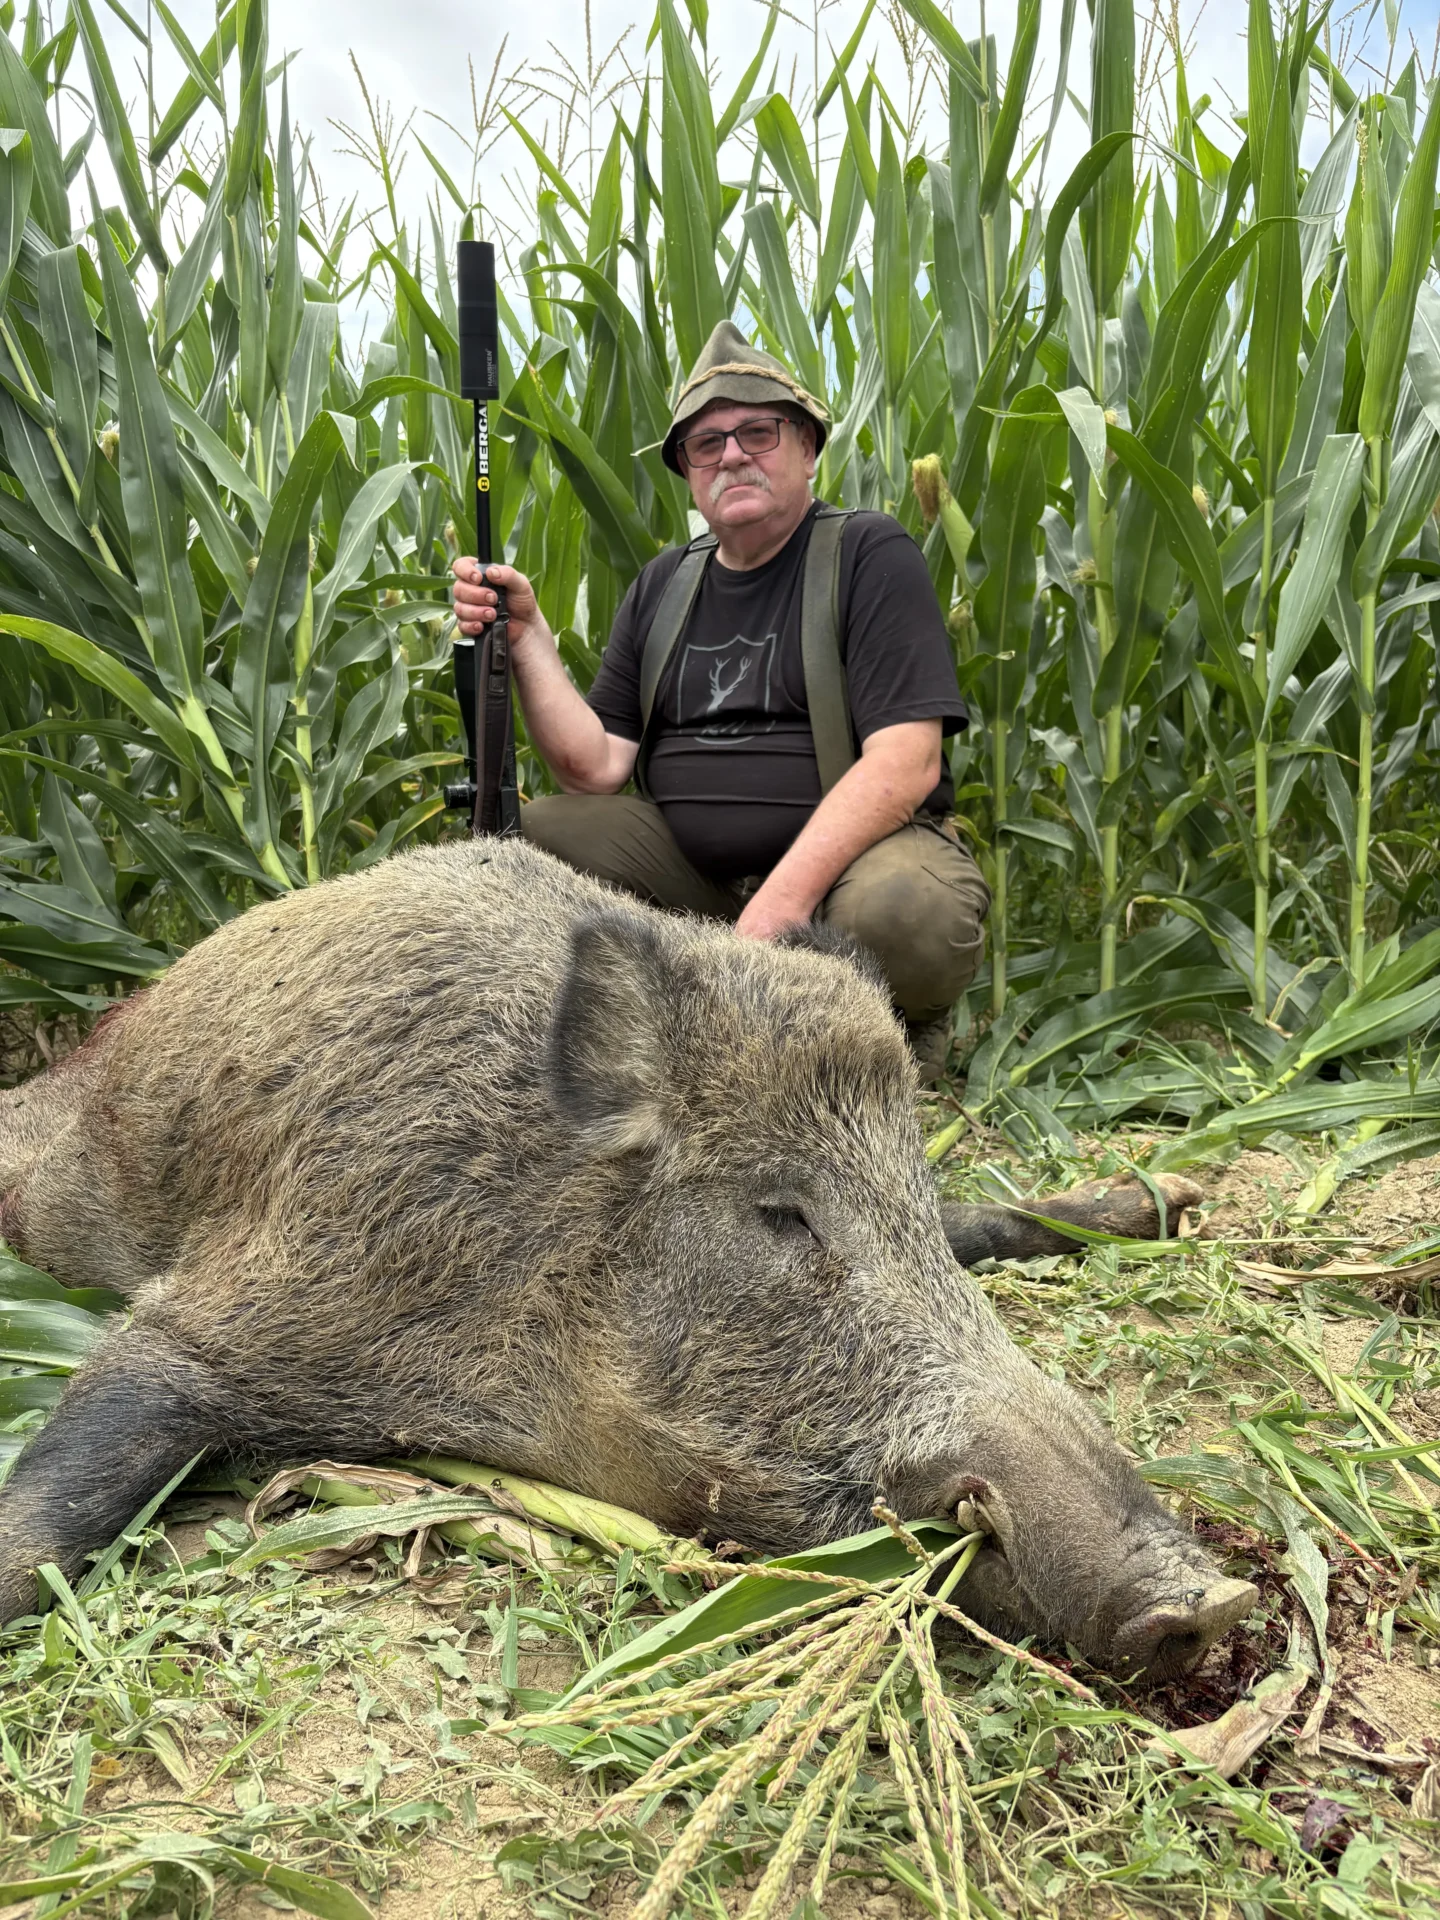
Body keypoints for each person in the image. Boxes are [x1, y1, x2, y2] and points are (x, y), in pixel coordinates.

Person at [450, 320, 989, 1079]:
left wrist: (777, 912)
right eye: (706, 444)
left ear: (807, 447)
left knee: (904, 914)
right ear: (689, 473)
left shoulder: (868, 554)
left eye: (757, 433)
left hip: (843, 879)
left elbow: (906, 762)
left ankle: (898, 1028)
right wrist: (528, 633)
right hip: (698, 885)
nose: (732, 455)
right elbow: (594, 768)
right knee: (528, 841)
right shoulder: (664, 583)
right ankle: (659, 1022)